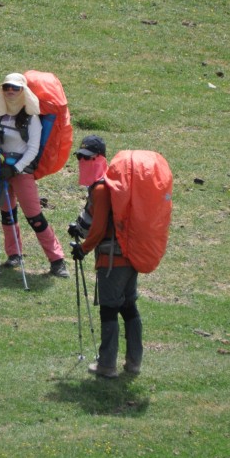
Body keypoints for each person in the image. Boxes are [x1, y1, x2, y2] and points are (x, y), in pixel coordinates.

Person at [68, 134, 143, 378]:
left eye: (87, 158)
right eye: (80, 157)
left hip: (112, 261)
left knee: (109, 310)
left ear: (100, 158)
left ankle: (107, 365)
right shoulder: (114, 184)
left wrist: (83, 249)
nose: (83, 162)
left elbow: (99, 228)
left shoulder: (101, 189)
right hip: (131, 257)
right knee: (129, 307)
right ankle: (134, 363)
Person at [0, 73, 69, 278]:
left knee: (35, 217)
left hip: (21, 172)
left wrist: (15, 169)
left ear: (24, 90)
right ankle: (14, 255)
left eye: (15, 88)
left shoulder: (32, 118)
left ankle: (57, 260)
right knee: (7, 214)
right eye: (7, 87)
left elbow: (32, 149)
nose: (11, 91)